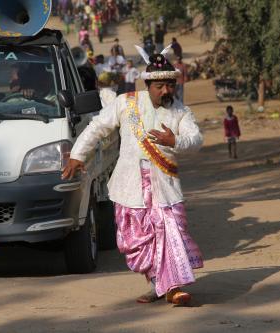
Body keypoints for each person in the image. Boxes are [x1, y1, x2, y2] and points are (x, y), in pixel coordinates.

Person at [62, 51, 203, 306]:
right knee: (137, 240)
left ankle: (174, 287)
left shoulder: (181, 112)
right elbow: (97, 128)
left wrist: (175, 141)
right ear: (147, 85)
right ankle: (157, 285)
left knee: (170, 232)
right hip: (129, 187)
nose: (165, 91)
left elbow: (196, 140)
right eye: (159, 86)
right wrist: (77, 156)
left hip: (166, 188)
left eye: (170, 85)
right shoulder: (125, 103)